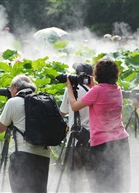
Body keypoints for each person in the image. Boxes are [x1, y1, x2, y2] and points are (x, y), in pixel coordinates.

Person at [66, 58, 131, 192]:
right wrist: (92, 87)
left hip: (103, 143)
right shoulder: (117, 89)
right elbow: (101, 96)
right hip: (121, 140)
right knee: (119, 181)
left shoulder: (96, 91)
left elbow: (74, 106)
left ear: (97, 74)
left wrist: (69, 88)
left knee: (102, 183)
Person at [0, 74, 51, 193]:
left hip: (22, 156)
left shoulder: (13, 102)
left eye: (10, 88)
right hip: (44, 156)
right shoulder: (43, 102)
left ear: (15, 87)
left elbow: (0, 128)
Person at [59, 62, 93, 192]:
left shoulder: (71, 91)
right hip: (91, 141)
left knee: (74, 182)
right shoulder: (94, 90)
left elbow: (63, 112)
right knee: (93, 180)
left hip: (74, 142)